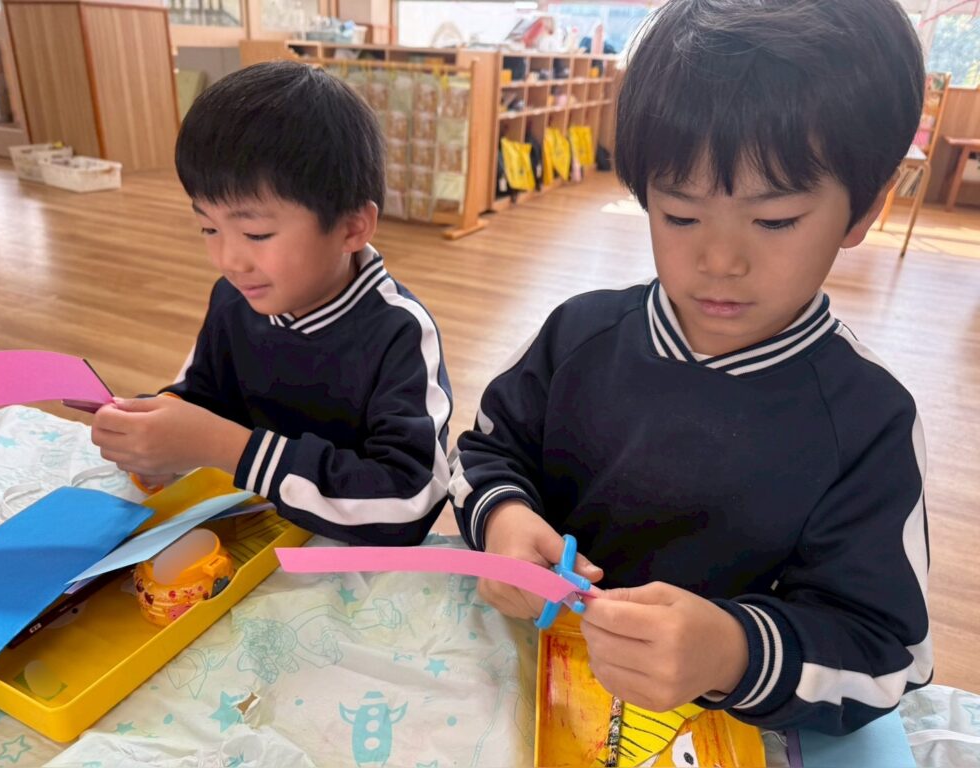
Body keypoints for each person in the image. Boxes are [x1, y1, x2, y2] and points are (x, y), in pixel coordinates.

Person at [451, 0, 929, 734]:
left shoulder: (867, 420)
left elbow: (884, 655)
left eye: (775, 220)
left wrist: (733, 653)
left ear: (864, 210)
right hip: (538, 688)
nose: (720, 260)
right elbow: (485, 452)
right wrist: (504, 518)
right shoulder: (579, 336)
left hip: (720, 730)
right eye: (680, 215)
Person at [93, 62, 452, 546]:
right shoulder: (234, 299)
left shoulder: (400, 332)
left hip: (347, 554)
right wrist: (157, 431)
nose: (228, 259)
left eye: (256, 233)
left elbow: (410, 501)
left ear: (352, 227)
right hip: (246, 540)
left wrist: (232, 448)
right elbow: (203, 395)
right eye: (208, 228)